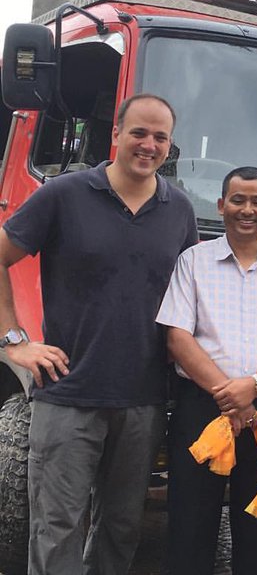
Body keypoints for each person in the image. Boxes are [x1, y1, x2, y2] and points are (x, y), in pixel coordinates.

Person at [0, 94, 198, 575]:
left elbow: (202, 281)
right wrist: (13, 342)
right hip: (68, 394)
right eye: (138, 132)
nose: (148, 145)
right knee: (56, 527)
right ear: (117, 135)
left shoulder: (180, 210)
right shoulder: (64, 194)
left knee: (122, 527)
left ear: (170, 146)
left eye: (160, 137)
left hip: (143, 400)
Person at [156, 166, 257, 575]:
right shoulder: (194, 261)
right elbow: (177, 337)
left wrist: (254, 387)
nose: (248, 210)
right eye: (238, 200)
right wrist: (229, 396)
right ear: (222, 204)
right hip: (201, 410)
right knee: (190, 525)